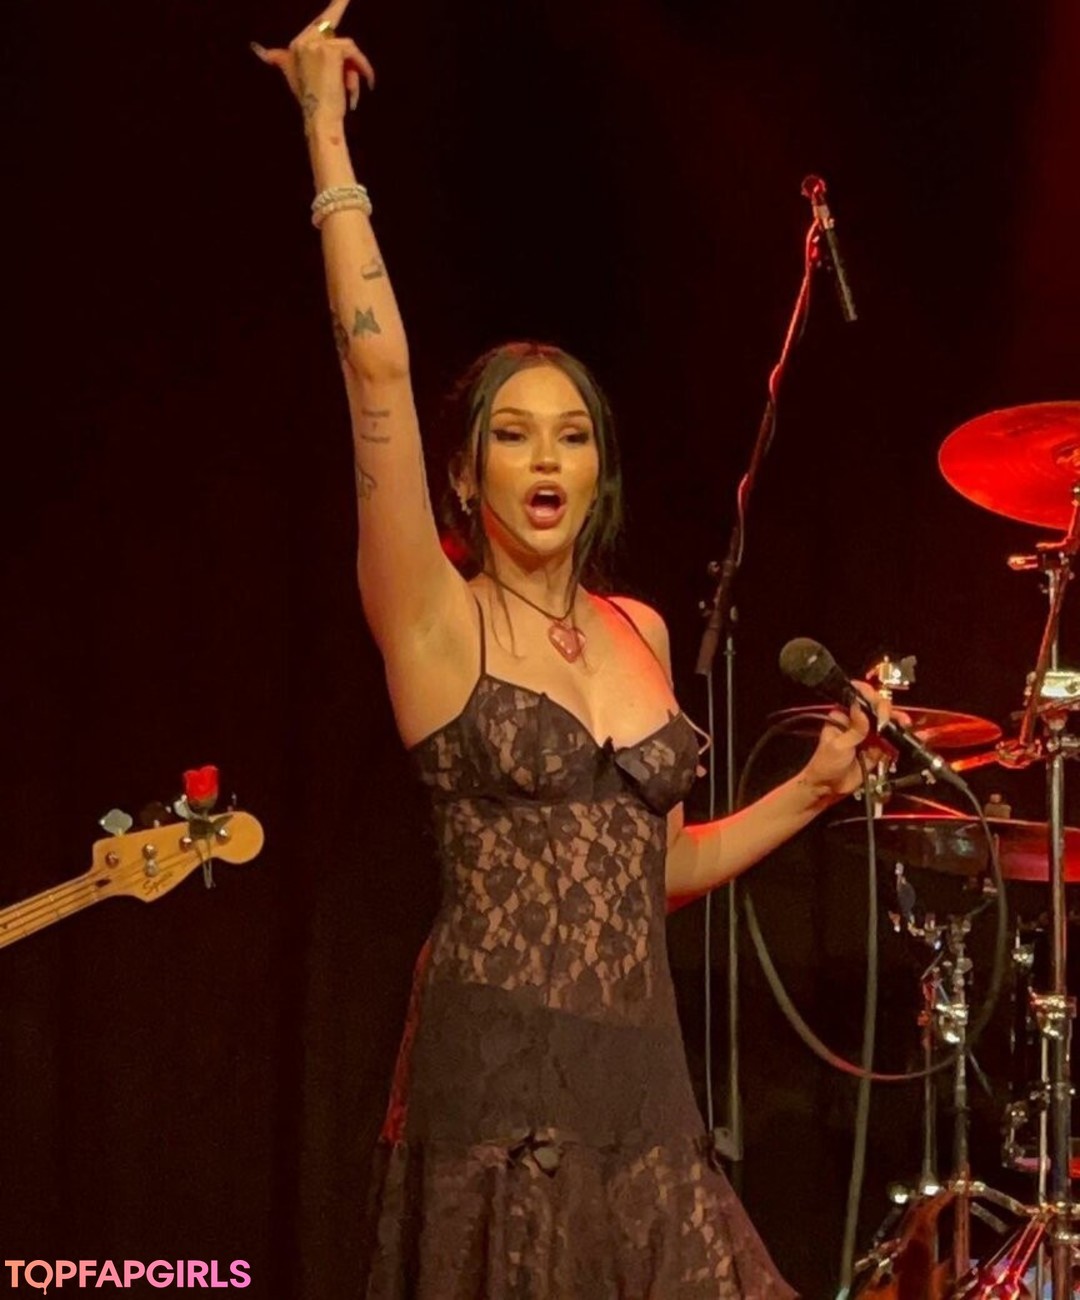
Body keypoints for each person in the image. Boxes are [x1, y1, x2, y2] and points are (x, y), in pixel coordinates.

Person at [256, 7, 893, 1295]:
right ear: (466, 470)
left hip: (641, 1087)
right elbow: (377, 373)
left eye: (573, 435)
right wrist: (325, 132)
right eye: (513, 434)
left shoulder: (636, 629)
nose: (545, 458)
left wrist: (815, 791)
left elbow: (656, 869)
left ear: (600, 469)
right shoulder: (435, 615)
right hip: (496, 1089)